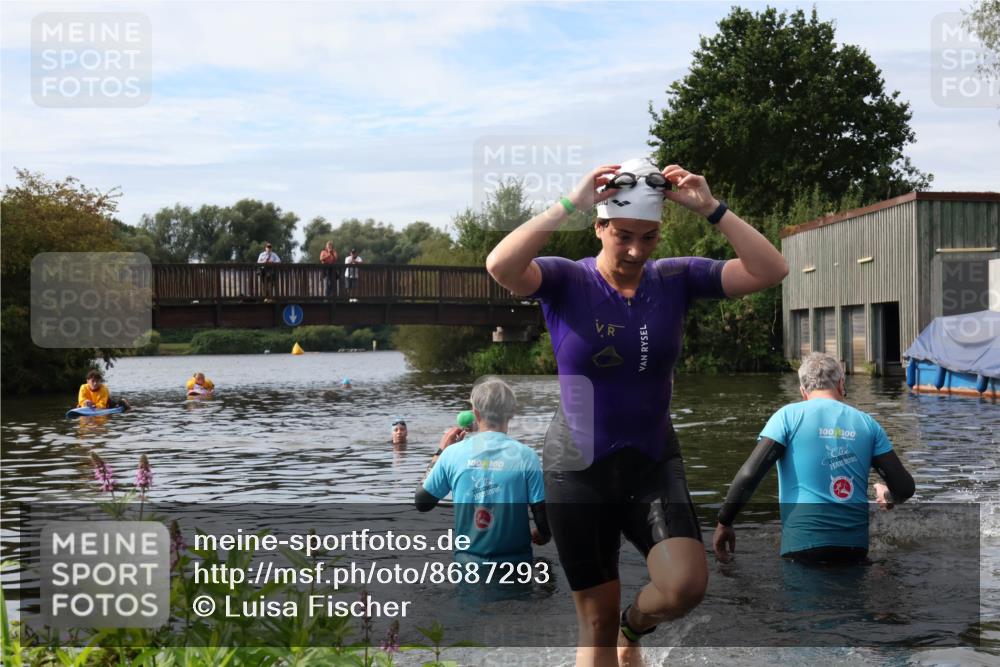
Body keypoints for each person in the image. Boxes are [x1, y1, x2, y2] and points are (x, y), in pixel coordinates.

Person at [485, 158, 788, 666]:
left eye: (648, 238)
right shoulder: (565, 281)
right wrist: (567, 206)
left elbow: (770, 269)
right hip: (577, 468)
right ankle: (616, 635)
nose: (634, 250)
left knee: (684, 586)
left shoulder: (676, 279)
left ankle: (636, 627)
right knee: (594, 627)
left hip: (651, 460)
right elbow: (501, 266)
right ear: (599, 225)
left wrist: (712, 209)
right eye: (622, 234)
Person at [713, 352, 915, 565]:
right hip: (854, 550)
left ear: (803, 391)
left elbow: (749, 475)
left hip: (801, 549)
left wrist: (724, 522)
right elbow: (905, 488)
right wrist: (889, 496)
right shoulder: (867, 424)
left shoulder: (787, 417)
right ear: (841, 384)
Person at [415, 378, 550, 565]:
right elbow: (543, 518)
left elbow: (422, 503)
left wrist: (439, 453)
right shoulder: (527, 457)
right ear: (512, 413)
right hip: (516, 566)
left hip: (467, 566)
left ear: (475, 414)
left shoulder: (452, 454)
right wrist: (543, 535)